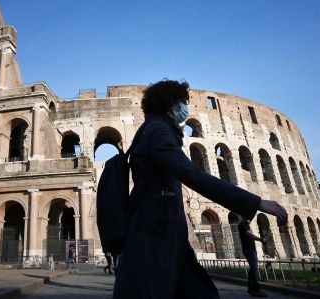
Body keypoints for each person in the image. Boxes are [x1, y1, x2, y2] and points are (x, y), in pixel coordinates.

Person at [113, 80, 287, 299]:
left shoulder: (155, 129)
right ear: (171, 104)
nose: (186, 108)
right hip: (155, 235)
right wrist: (256, 202)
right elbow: (192, 174)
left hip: (165, 235)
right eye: (183, 103)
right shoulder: (157, 130)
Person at [237, 219, 266, 297]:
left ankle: (251, 288)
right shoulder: (243, 224)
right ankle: (256, 289)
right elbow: (249, 234)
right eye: (251, 218)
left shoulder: (246, 224)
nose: (251, 220)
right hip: (248, 249)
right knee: (254, 268)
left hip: (251, 249)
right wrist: (260, 239)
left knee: (253, 268)